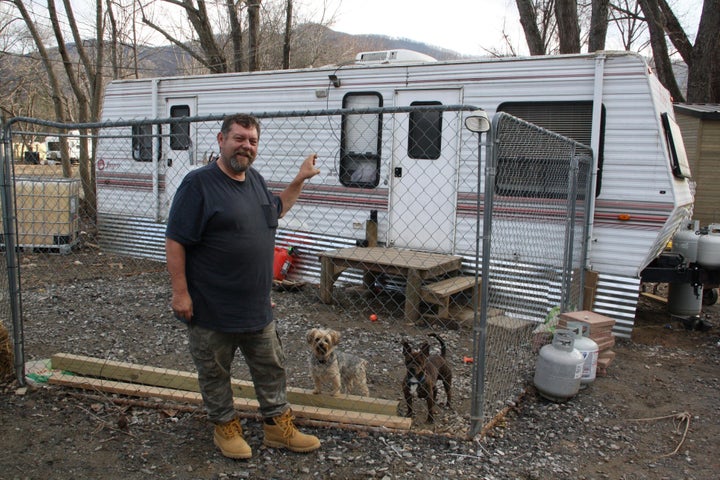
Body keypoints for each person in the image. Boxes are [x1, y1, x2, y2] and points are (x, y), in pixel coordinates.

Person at [165, 113, 321, 459]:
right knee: (214, 371)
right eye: (238, 138)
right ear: (221, 141)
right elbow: (175, 240)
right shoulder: (199, 184)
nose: (245, 146)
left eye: (252, 141)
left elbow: (275, 211)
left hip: (256, 307)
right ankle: (225, 428)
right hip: (211, 307)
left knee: (271, 368)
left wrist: (300, 178)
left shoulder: (255, 181)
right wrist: (180, 292)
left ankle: (277, 428)